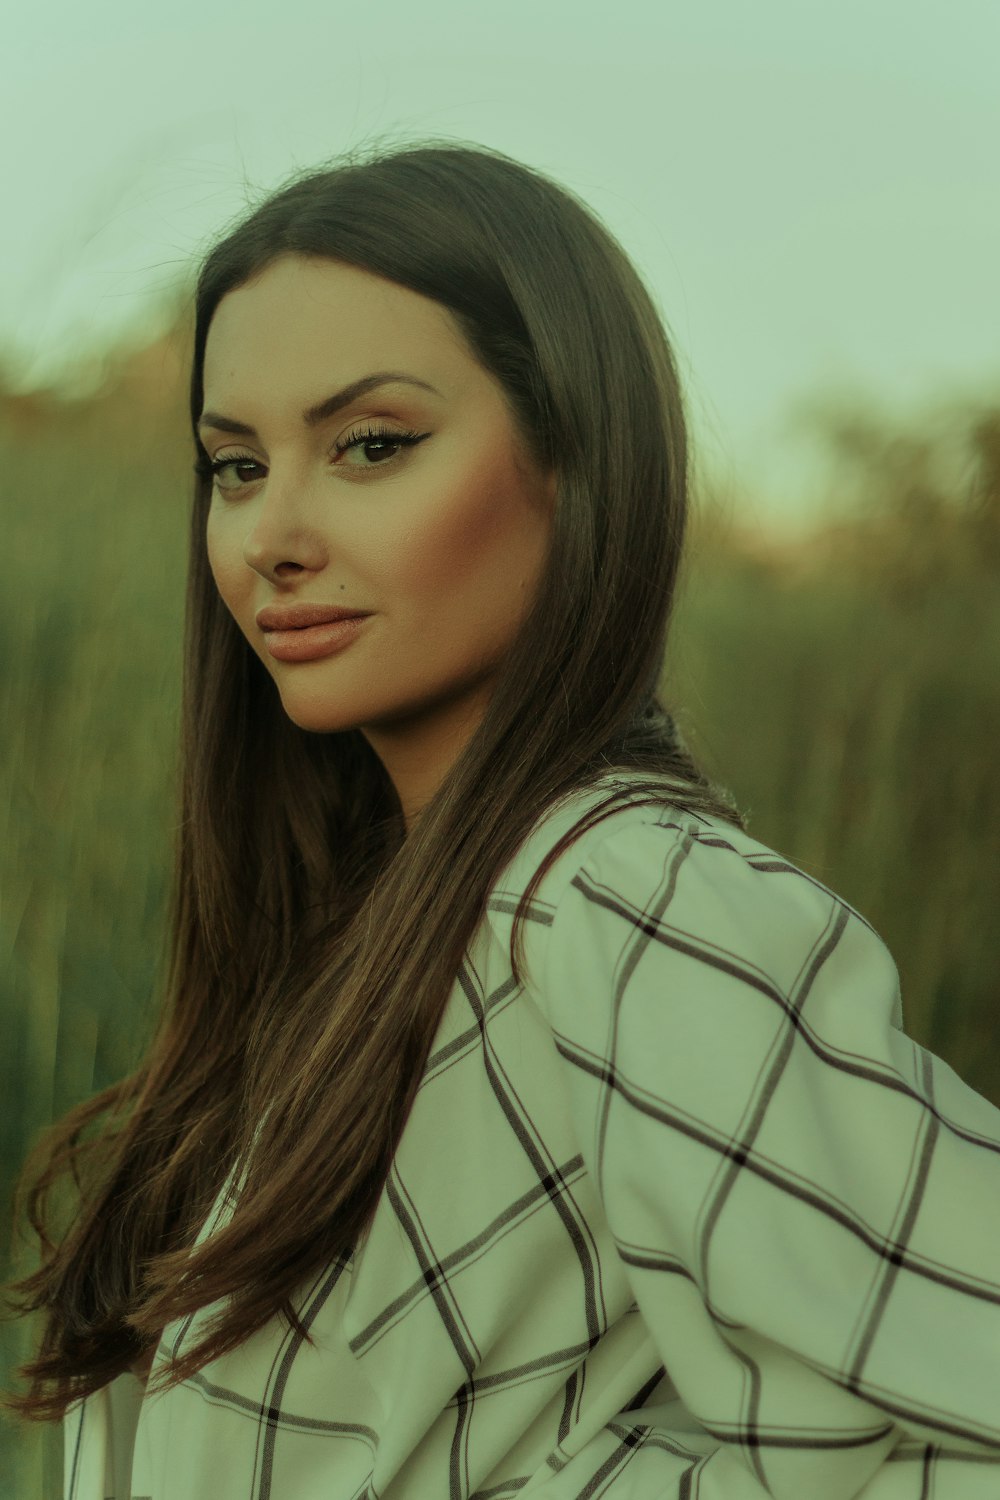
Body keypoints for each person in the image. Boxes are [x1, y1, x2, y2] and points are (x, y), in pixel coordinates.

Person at [4, 136, 999, 1500]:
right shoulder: (363, 928)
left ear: (573, 465)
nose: (270, 535)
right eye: (234, 466)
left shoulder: (632, 902)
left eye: (371, 445)